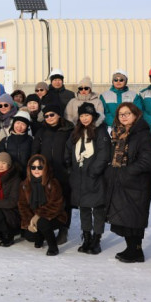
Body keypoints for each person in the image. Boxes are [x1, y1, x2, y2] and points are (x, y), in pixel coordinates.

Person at [104, 102, 151, 263]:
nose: (124, 117)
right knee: (125, 218)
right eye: (121, 114)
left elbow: (147, 161)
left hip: (137, 183)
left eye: (127, 113)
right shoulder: (117, 133)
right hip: (120, 181)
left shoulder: (142, 134)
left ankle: (136, 250)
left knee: (134, 218)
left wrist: (126, 172)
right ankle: (131, 248)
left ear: (135, 115)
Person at [64, 102, 110, 254]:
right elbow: (68, 149)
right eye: (82, 115)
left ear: (93, 116)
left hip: (94, 177)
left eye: (87, 115)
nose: (84, 119)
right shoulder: (76, 131)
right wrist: (69, 167)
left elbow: (104, 154)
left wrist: (94, 171)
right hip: (78, 177)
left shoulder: (100, 131)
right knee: (84, 208)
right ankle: (87, 237)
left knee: (97, 209)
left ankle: (97, 239)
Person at [31, 104, 74, 245]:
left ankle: (63, 229)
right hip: (46, 173)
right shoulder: (41, 131)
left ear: (59, 115)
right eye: (46, 115)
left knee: (64, 202)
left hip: (63, 172)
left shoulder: (68, 130)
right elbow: (35, 151)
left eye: (52, 114)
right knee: (46, 200)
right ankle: (46, 227)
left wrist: (69, 167)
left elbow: (73, 150)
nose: (49, 118)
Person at [19, 155, 68, 256]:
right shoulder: (25, 184)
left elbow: (56, 204)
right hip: (34, 217)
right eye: (33, 167)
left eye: (40, 167)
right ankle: (40, 236)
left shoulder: (52, 183)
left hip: (55, 216)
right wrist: (29, 221)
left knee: (42, 222)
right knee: (29, 236)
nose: (36, 170)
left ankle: (53, 247)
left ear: (45, 168)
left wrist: (38, 216)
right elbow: (22, 205)